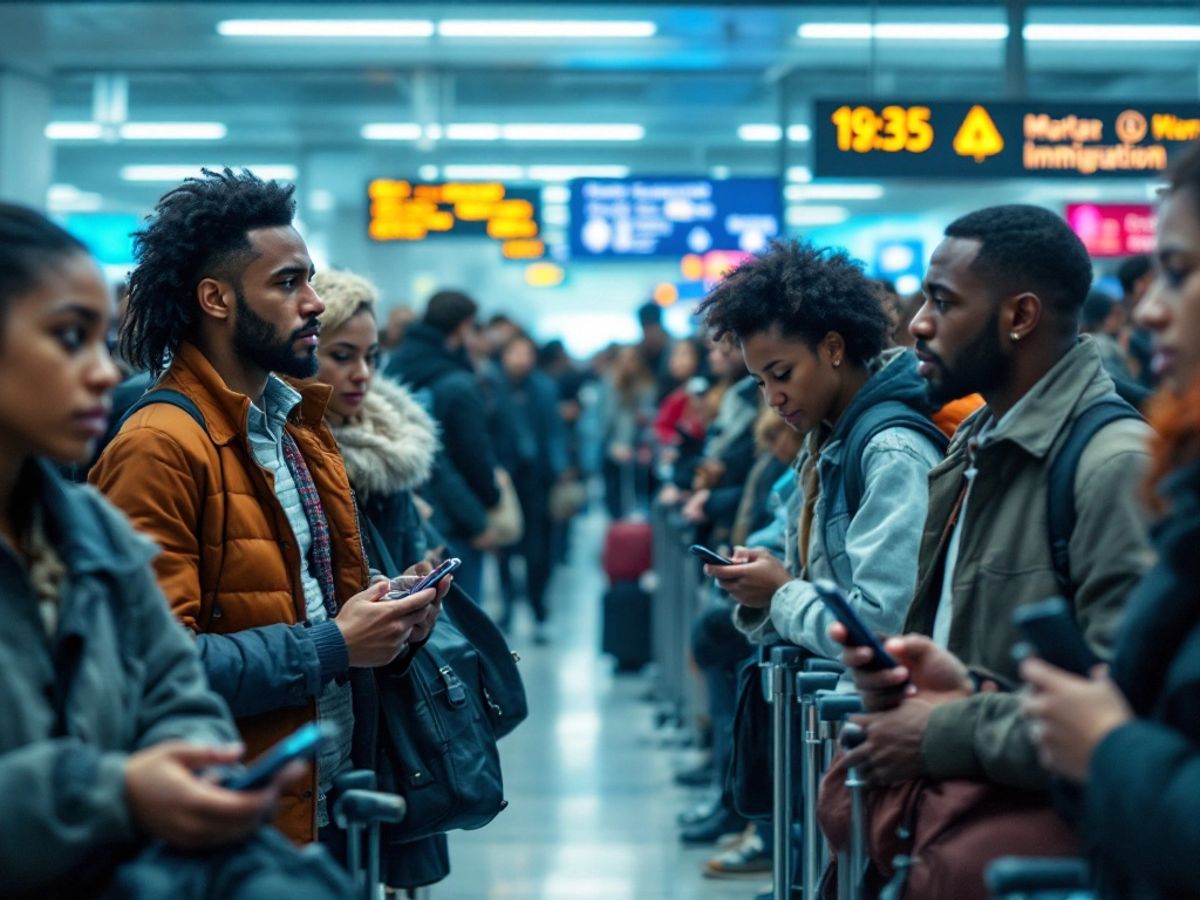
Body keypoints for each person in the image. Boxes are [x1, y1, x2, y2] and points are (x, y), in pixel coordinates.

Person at [91, 168, 443, 844]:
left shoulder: (293, 426)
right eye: (288, 283)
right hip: (235, 823)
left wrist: (386, 617)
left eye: (309, 279)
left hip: (329, 801)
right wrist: (337, 642)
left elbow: (303, 605)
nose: (312, 302)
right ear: (216, 299)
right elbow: (151, 666)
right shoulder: (158, 448)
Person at [830, 206, 1154, 892]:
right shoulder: (977, 441)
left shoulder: (1111, 466)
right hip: (947, 820)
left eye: (942, 303)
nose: (916, 322)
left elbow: (1125, 714)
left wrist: (943, 731)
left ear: (1020, 316)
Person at [0, 203, 315, 893]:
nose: (105, 373)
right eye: (68, 338)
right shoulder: (158, 445)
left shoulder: (86, 533)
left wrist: (195, 770)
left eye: (102, 338)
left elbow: (173, 686)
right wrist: (114, 792)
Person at [1021, 140, 1200, 900]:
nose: (1149, 308)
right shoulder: (1183, 490)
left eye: (1180, 272)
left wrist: (1108, 748)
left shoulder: (1114, 454)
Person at [697, 240, 945, 661]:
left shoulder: (890, 453)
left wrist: (781, 592)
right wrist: (767, 570)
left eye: (782, 374)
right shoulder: (826, 439)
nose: (773, 399)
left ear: (833, 349)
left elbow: (883, 628)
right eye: (761, 382)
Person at [385, 289, 501, 603]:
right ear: (463, 327)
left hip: (401, 514)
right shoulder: (457, 383)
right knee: (461, 619)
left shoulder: (394, 368)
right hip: (454, 524)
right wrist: (482, 515)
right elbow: (471, 458)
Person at [496, 331, 569, 638]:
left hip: (538, 480)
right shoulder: (493, 387)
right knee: (505, 547)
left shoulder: (544, 388)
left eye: (526, 353)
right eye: (515, 353)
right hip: (505, 479)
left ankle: (539, 609)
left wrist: (560, 467)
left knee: (538, 551)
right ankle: (508, 607)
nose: (521, 360)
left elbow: (554, 430)